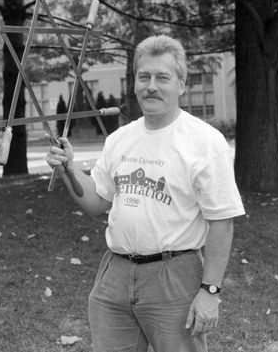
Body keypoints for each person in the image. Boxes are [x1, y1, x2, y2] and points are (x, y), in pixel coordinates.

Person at [45, 35, 245, 352]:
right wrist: (69, 168)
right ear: (135, 81)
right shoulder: (120, 139)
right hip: (115, 274)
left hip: (174, 276)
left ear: (181, 83)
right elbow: (96, 202)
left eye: (162, 77)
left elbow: (222, 221)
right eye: (144, 76)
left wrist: (210, 290)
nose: (151, 86)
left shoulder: (205, 142)